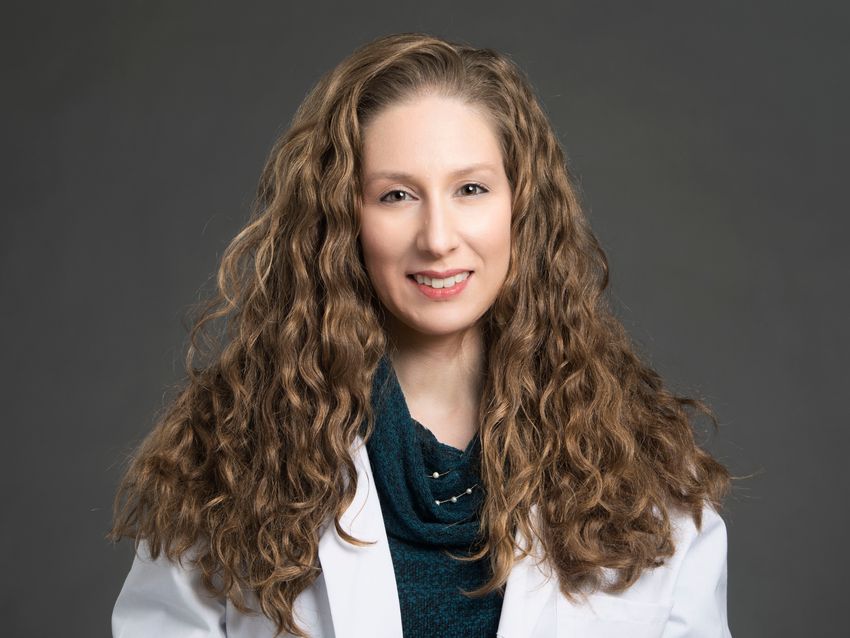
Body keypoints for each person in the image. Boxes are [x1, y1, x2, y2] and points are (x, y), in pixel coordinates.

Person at [108, 32, 734, 638]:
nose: (437, 237)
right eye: (397, 194)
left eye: (470, 189)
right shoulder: (232, 448)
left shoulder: (644, 466)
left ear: (521, 207)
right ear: (340, 219)